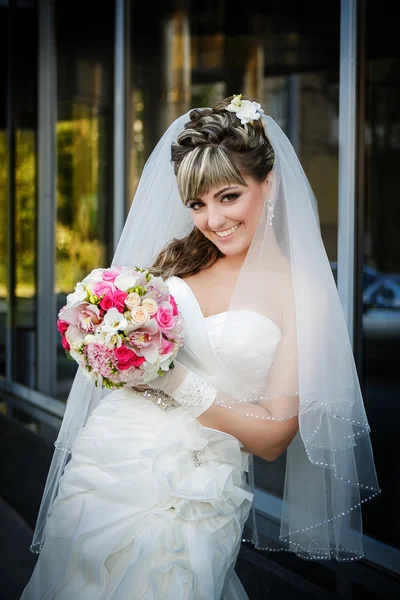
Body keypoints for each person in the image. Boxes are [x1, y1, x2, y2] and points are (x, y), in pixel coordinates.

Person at [22, 96, 380, 599]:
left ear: (268, 185)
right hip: (109, 457)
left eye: (229, 196)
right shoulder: (174, 265)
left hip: (195, 482)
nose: (212, 219)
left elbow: (275, 434)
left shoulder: (305, 292)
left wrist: (171, 380)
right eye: (197, 203)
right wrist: (106, 343)